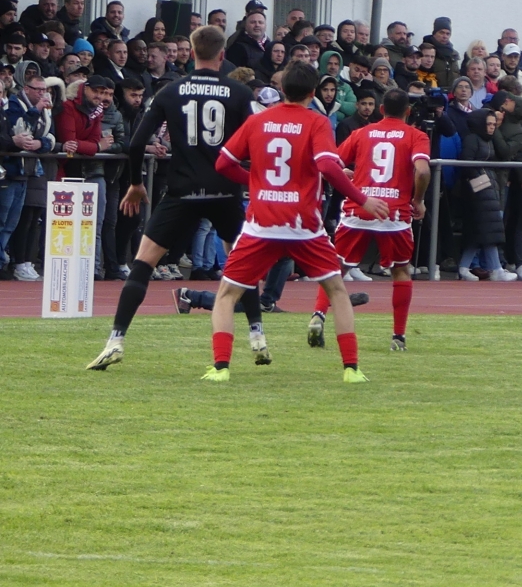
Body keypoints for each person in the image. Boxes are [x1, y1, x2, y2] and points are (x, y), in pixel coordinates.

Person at [88, 26, 265, 373]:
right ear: (222, 55)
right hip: (225, 190)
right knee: (242, 264)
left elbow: (136, 142)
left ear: (191, 52)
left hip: (182, 190)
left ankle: (116, 340)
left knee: (143, 263)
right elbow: (257, 143)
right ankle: (258, 335)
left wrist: (136, 183)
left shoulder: (171, 90)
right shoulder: (239, 92)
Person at [203, 61, 390, 382]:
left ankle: (221, 368)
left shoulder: (258, 120)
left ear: (282, 89)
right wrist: (363, 199)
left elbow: (223, 164)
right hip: (304, 225)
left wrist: (255, 181)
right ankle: (351, 368)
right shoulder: (317, 122)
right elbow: (328, 167)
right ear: (313, 92)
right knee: (337, 291)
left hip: (262, 223)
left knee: (227, 294)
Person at [314, 87, 430, 352]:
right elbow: (422, 170)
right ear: (408, 111)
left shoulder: (361, 133)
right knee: (400, 270)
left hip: (360, 208)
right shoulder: (416, 135)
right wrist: (418, 200)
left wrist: (347, 175)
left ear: (381, 109)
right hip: (394, 213)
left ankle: (318, 315)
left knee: (337, 268)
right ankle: (398, 336)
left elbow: (331, 164)